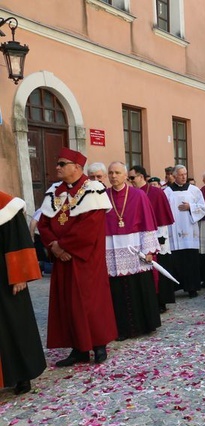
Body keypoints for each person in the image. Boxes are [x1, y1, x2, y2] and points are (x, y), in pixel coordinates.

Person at [37, 147, 117, 366]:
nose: (57, 167)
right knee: (68, 303)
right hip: (62, 259)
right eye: (58, 163)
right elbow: (43, 223)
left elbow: (89, 228)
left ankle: (99, 344)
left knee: (90, 301)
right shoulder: (55, 191)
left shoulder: (93, 190)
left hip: (85, 259)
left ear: (77, 167)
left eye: (62, 164)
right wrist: (54, 246)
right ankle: (78, 348)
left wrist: (63, 246)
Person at [105, 162, 161, 340]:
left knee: (139, 286)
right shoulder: (103, 196)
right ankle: (122, 329)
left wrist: (149, 250)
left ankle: (145, 325)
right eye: (111, 173)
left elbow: (147, 222)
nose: (113, 176)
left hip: (136, 247)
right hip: (112, 248)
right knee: (118, 290)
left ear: (125, 176)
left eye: (117, 173)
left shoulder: (138, 195)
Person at [0, 190, 46, 394]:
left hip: (5, 275)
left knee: (15, 325)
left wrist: (20, 274)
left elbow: (19, 239)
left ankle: (23, 375)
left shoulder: (6, 204)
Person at [128, 165, 175, 313]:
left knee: (159, 268)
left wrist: (160, 237)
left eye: (132, 178)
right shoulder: (132, 193)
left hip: (157, 234)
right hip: (138, 236)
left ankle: (161, 301)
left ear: (141, 176)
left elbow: (163, 216)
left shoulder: (156, 192)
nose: (130, 181)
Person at [164, 165, 205, 297]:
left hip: (190, 231)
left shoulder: (194, 190)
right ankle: (176, 287)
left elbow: (203, 208)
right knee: (176, 261)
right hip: (174, 232)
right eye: (181, 174)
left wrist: (190, 207)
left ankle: (192, 288)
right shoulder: (167, 192)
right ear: (174, 175)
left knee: (191, 260)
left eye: (185, 174)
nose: (183, 177)